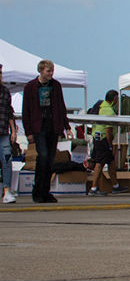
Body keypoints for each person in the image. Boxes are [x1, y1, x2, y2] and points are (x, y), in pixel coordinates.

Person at [21, 60, 71, 203]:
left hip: (52, 126)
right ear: (41, 71)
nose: (51, 73)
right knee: (42, 157)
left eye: (52, 71)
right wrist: (28, 131)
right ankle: (37, 191)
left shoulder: (56, 86)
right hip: (38, 127)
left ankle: (45, 191)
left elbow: (61, 106)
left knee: (49, 160)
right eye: (48, 71)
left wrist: (66, 126)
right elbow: (26, 111)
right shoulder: (30, 87)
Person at [88, 90, 122, 196]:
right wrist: (110, 143)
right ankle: (93, 188)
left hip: (97, 137)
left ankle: (116, 186)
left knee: (111, 162)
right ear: (115, 99)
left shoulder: (100, 106)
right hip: (103, 140)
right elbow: (108, 130)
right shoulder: (109, 111)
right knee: (100, 163)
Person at [0, 64, 17, 203]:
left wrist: (13, 131)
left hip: (3, 132)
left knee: (7, 160)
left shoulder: (5, 91)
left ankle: (6, 191)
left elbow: (9, 112)